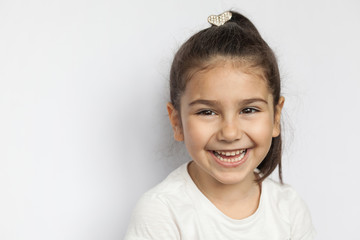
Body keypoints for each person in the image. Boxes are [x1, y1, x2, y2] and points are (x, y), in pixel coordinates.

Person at [124, 10, 316, 239]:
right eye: (207, 112)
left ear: (276, 117)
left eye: (248, 110)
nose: (230, 132)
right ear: (176, 122)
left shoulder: (289, 208)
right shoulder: (162, 212)